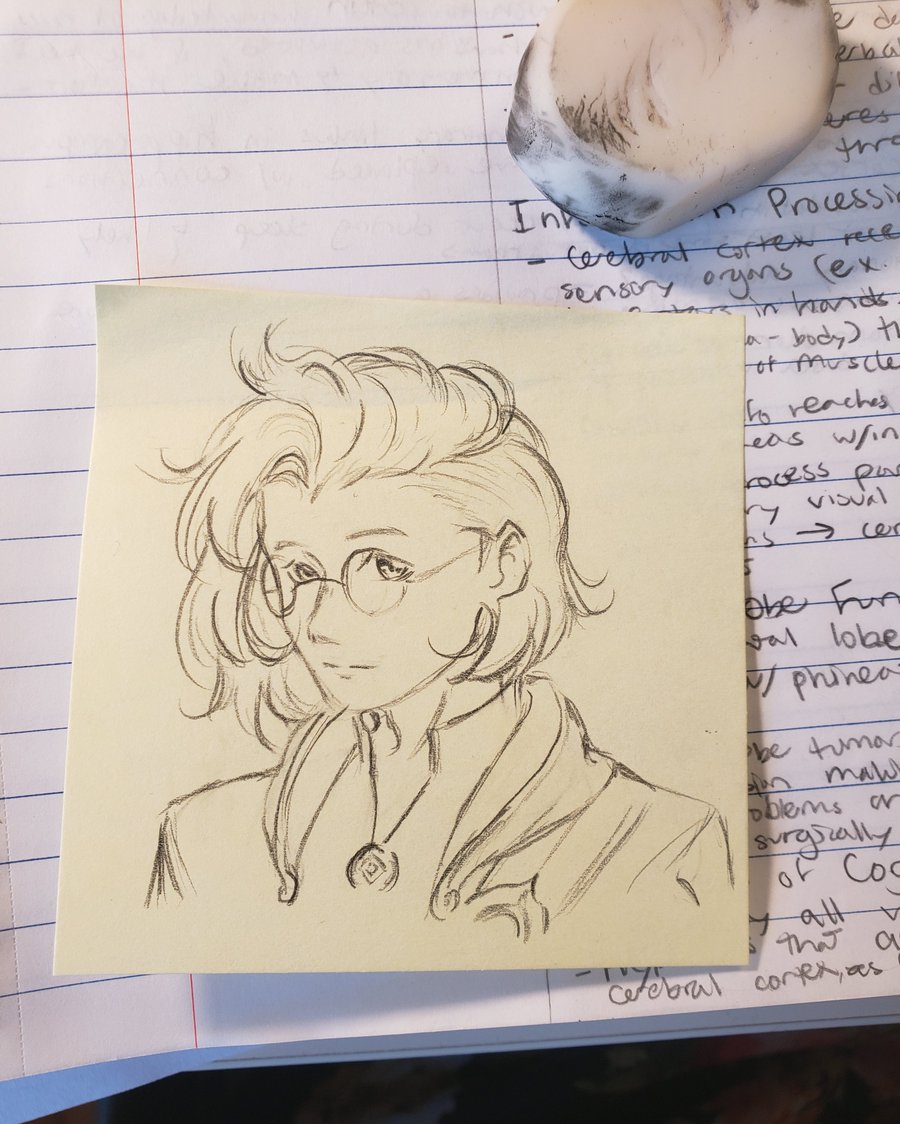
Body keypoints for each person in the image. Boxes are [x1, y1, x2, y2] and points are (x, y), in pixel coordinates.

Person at [147, 328, 733, 944]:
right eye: (299, 571)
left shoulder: (658, 843)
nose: (320, 624)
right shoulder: (202, 840)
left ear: (503, 562)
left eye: (383, 566)